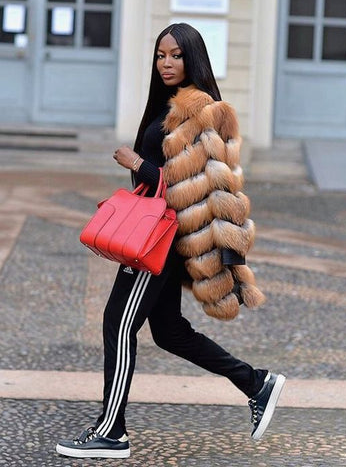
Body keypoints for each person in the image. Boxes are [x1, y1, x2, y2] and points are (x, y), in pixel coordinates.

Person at [56, 23, 286, 460]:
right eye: (161, 54)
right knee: (169, 332)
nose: (166, 63)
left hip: (162, 241)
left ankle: (112, 432)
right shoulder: (167, 106)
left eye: (176, 55)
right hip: (163, 236)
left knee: (118, 322)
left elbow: (189, 187)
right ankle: (256, 383)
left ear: (193, 58)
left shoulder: (200, 110)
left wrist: (136, 162)